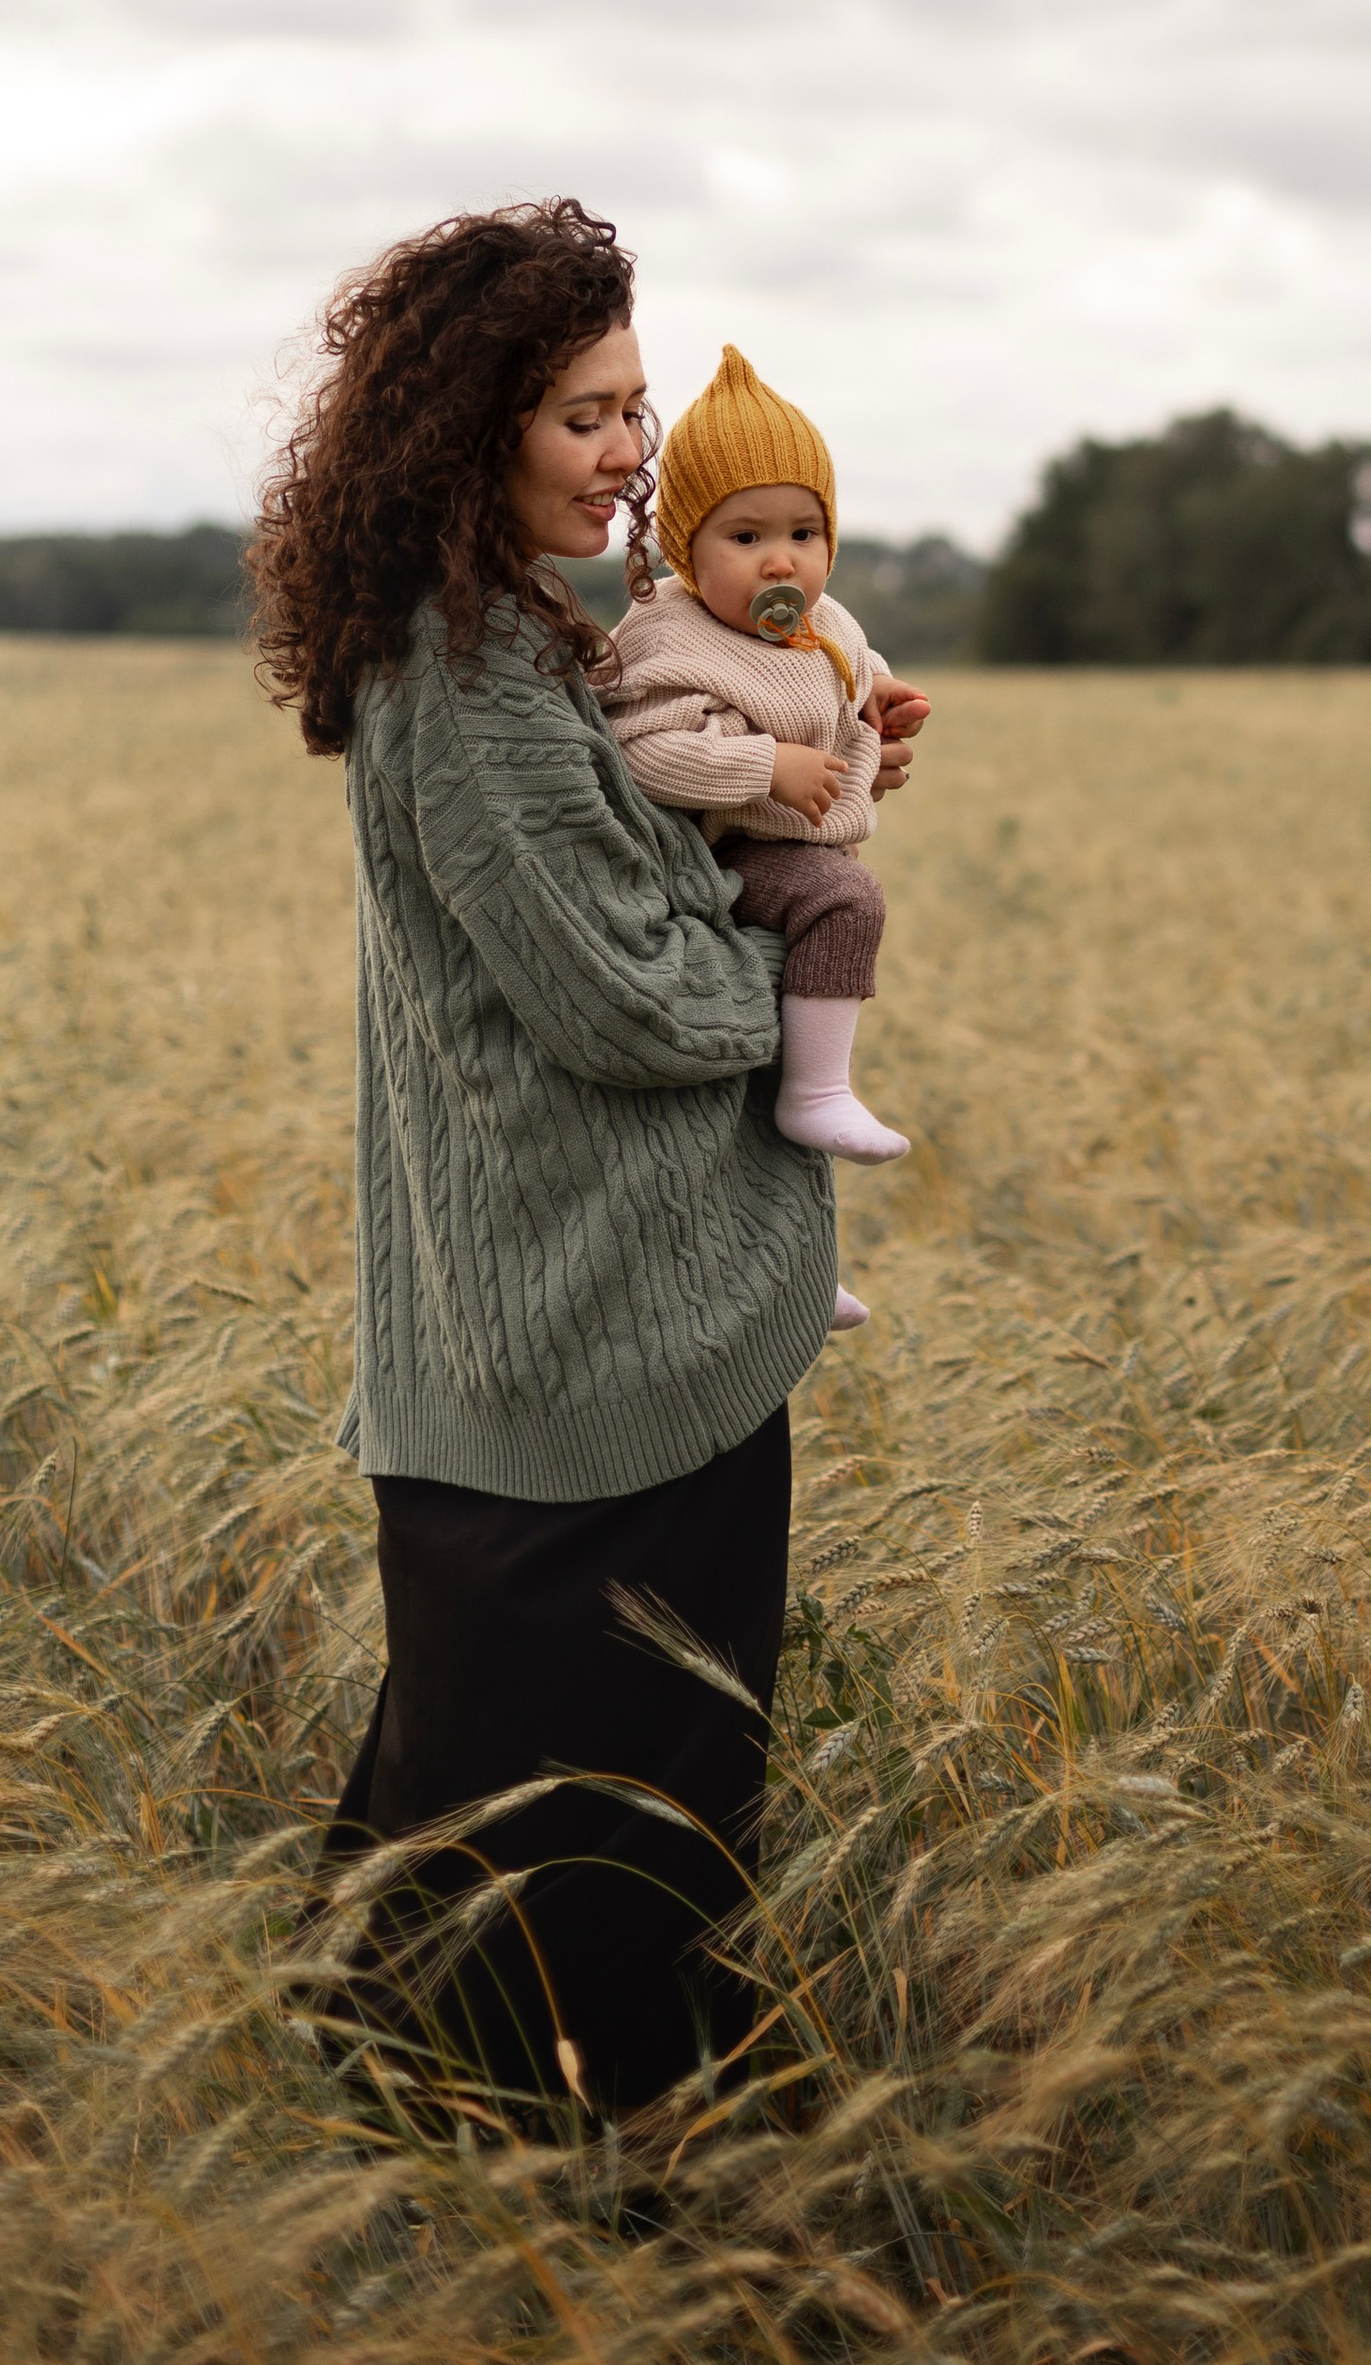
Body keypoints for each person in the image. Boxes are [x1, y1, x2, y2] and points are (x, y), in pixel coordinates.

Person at [251, 198, 901, 2129]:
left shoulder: (516, 647)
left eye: (633, 409)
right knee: (595, 1861)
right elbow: (632, 1001)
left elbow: (643, 882)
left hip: (584, 1343)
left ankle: (456, 2186)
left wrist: (779, 835)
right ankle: (588, 2198)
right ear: (475, 432)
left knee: (502, 1829)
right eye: (582, 417)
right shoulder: (471, 684)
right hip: (585, 1357)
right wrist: (784, 953)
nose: (630, 457)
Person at [605, 348, 933, 1339]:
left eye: (804, 532)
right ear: (685, 550)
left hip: (789, 851)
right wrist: (763, 768)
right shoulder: (669, 636)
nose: (781, 562)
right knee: (846, 903)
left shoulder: (819, 622)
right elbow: (642, 751)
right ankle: (824, 1090)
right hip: (714, 863)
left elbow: (845, 664)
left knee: (757, 1103)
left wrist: (878, 696)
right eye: (745, 536)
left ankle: (793, 1270)